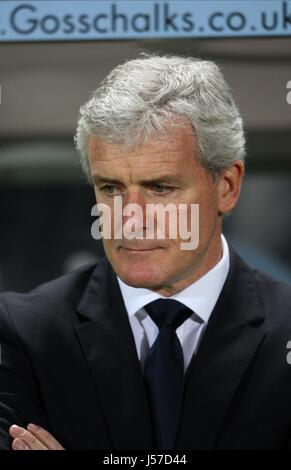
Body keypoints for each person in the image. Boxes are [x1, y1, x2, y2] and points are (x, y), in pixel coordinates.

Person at [1, 54, 291, 451]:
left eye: (160, 188)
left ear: (227, 187)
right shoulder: (22, 333)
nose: (129, 219)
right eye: (111, 188)